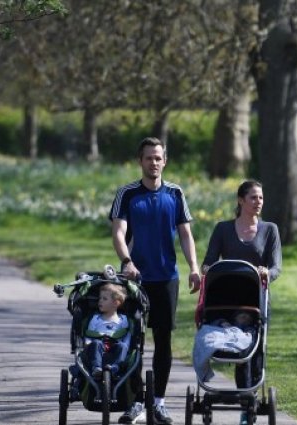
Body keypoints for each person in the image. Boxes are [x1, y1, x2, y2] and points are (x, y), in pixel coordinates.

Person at [109, 137, 201, 425]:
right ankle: (136, 401)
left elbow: (185, 234)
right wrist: (127, 262)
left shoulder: (175, 193)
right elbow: (119, 232)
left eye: (158, 158)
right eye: (149, 158)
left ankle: (158, 402)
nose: (154, 162)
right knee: (133, 339)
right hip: (135, 279)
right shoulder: (127, 194)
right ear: (141, 161)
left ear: (165, 161)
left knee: (163, 340)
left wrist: (194, 267)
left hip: (166, 278)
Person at [201, 179, 282, 425]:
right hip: (227, 299)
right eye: (253, 198)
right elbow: (208, 262)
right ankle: (245, 396)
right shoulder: (223, 229)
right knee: (239, 347)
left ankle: (250, 398)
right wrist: (207, 270)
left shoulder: (270, 230)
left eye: (261, 198)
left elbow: (277, 266)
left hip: (256, 298)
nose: (259, 202)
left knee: (255, 348)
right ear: (240, 200)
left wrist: (267, 272)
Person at [85, 283, 131, 378]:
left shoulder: (123, 320)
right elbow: (89, 335)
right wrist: (87, 344)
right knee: (96, 343)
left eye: (104, 299)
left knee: (122, 346)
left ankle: (115, 367)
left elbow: (127, 336)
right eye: (100, 298)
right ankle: (96, 368)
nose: (100, 301)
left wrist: (127, 346)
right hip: (98, 349)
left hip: (116, 348)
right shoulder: (95, 319)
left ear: (116, 303)